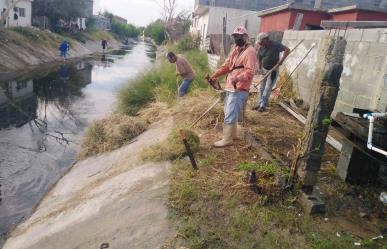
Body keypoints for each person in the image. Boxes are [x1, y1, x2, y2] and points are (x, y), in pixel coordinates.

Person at [208, 26, 257, 147]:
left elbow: (250, 72)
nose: (237, 39)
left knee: (230, 112)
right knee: (229, 111)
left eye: (239, 37)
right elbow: (227, 66)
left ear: (245, 37)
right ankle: (233, 134)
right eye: (235, 37)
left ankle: (227, 139)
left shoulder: (250, 52)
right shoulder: (236, 49)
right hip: (230, 86)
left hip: (239, 88)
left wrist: (237, 78)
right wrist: (215, 75)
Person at [253, 32, 290, 112]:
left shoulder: (275, 45)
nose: (260, 44)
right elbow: (259, 58)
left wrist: (281, 60)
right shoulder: (261, 47)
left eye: (261, 42)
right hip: (264, 70)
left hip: (273, 70)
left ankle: (263, 105)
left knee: (268, 88)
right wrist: (260, 68)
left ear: (266, 39)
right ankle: (259, 104)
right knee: (262, 87)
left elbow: (287, 50)